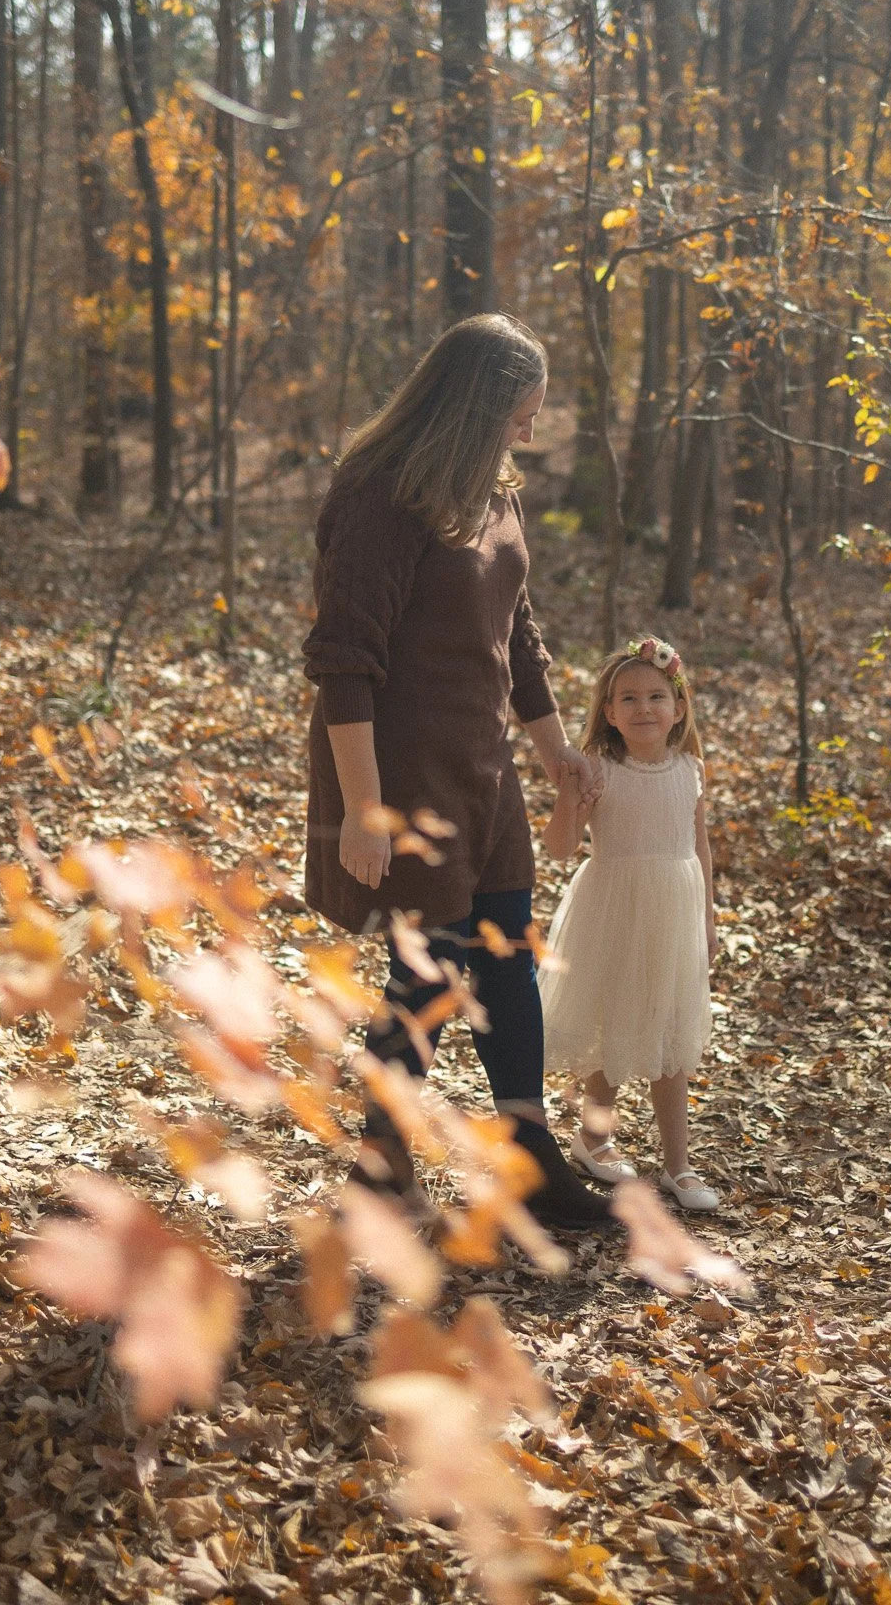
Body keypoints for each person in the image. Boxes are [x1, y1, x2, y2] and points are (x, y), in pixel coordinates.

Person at [303, 314, 610, 1228]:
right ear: (474, 406)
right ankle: (380, 1167)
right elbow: (342, 661)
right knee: (429, 972)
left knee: (507, 961)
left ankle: (527, 1156)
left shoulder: (495, 489)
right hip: (399, 775)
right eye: (520, 413)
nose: (528, 431)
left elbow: (514, 631)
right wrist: (363, 808)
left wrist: (554, 750)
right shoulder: (378, 496)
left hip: (484, 768)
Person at [538, 635, 720, 1211]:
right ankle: (594, 1138)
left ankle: (678, 1164)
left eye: (656, 696)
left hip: (675, 911)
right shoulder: (600, 769)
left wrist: (709, 914)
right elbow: (561, 847)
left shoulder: (689, 767)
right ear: (609, 713)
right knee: (612, 1026)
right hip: (614, 907)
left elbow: (701, 845)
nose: (644, 708)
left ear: (679, 707)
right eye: (629, 699)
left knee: (670, 1032)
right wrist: (570, 796)